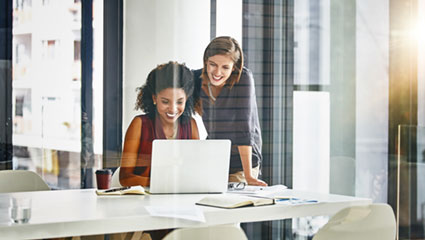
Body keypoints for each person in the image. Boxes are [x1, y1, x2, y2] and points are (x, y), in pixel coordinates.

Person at [193, 36, 267, 186]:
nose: (217, 72)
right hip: (214, 157)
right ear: (205, 61)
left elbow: (244, 130)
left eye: (225, 67)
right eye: (212, 64)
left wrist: (248, 176)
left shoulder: (243, 79)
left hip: (241, 160)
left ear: (234, 67)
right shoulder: (196, 79)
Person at [120, 61, 199, 187]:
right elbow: (125, 178)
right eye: (165, 102)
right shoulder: (139, 125)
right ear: (154, 98)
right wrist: (161, 183)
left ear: (187, 99)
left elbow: (196, 171)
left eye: (179, 102)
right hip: (143, 200)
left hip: (180, 199)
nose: (173, 109)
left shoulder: (191, 125)